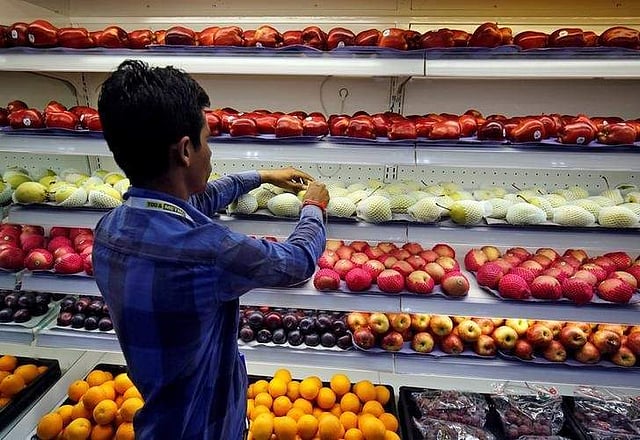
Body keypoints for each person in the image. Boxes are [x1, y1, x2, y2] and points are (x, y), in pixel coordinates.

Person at [92, 60, 329, 440]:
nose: (211, 152)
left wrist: (261, 177)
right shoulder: (208, 251)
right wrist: (314, 207)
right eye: (207, 139)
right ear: (186, 151)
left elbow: (191, 203)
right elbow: (297, 262)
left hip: (158, 421)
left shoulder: (109, 229)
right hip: (207, 428)